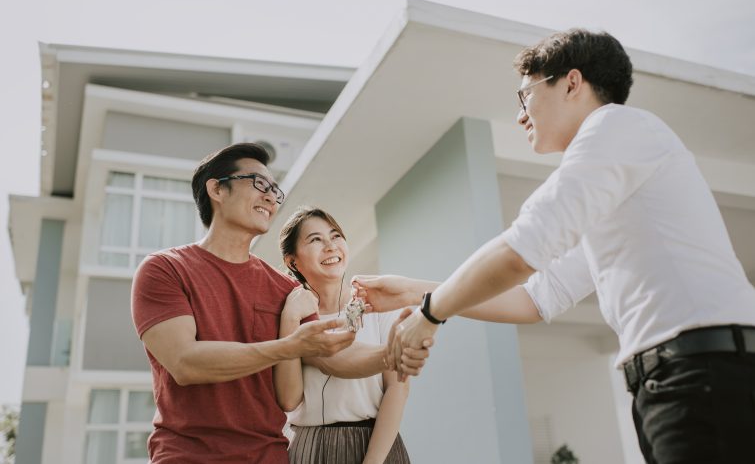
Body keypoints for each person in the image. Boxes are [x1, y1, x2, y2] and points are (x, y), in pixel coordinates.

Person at [353, 29, 755, 463]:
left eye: (525, 96)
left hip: (702, 374)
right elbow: (536, 298)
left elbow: (521, 251)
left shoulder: (616, 128)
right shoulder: (612, 181)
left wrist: (430, 316)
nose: (521, 116)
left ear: (572, 82)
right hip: (674, 381)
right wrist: (415, 292)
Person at [131, 143, 361, 463]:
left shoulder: (284, 288)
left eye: (274, 190)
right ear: (217, 189)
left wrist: (417, 325)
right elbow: (185, 363)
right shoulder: (164, 269)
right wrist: (287, 346)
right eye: (258, 183)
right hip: (187, 456)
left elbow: (320, 372)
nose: (270, 197)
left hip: (269, 456)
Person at [275, 206, 411, 463]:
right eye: (316, 239)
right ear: (292, 261)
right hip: (309, 447)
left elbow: (397, 388)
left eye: (335, 235)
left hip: (375, 444)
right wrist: (290, 319)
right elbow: (289, 399)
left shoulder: (378, 303)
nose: (330, 246)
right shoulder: (289, 313)